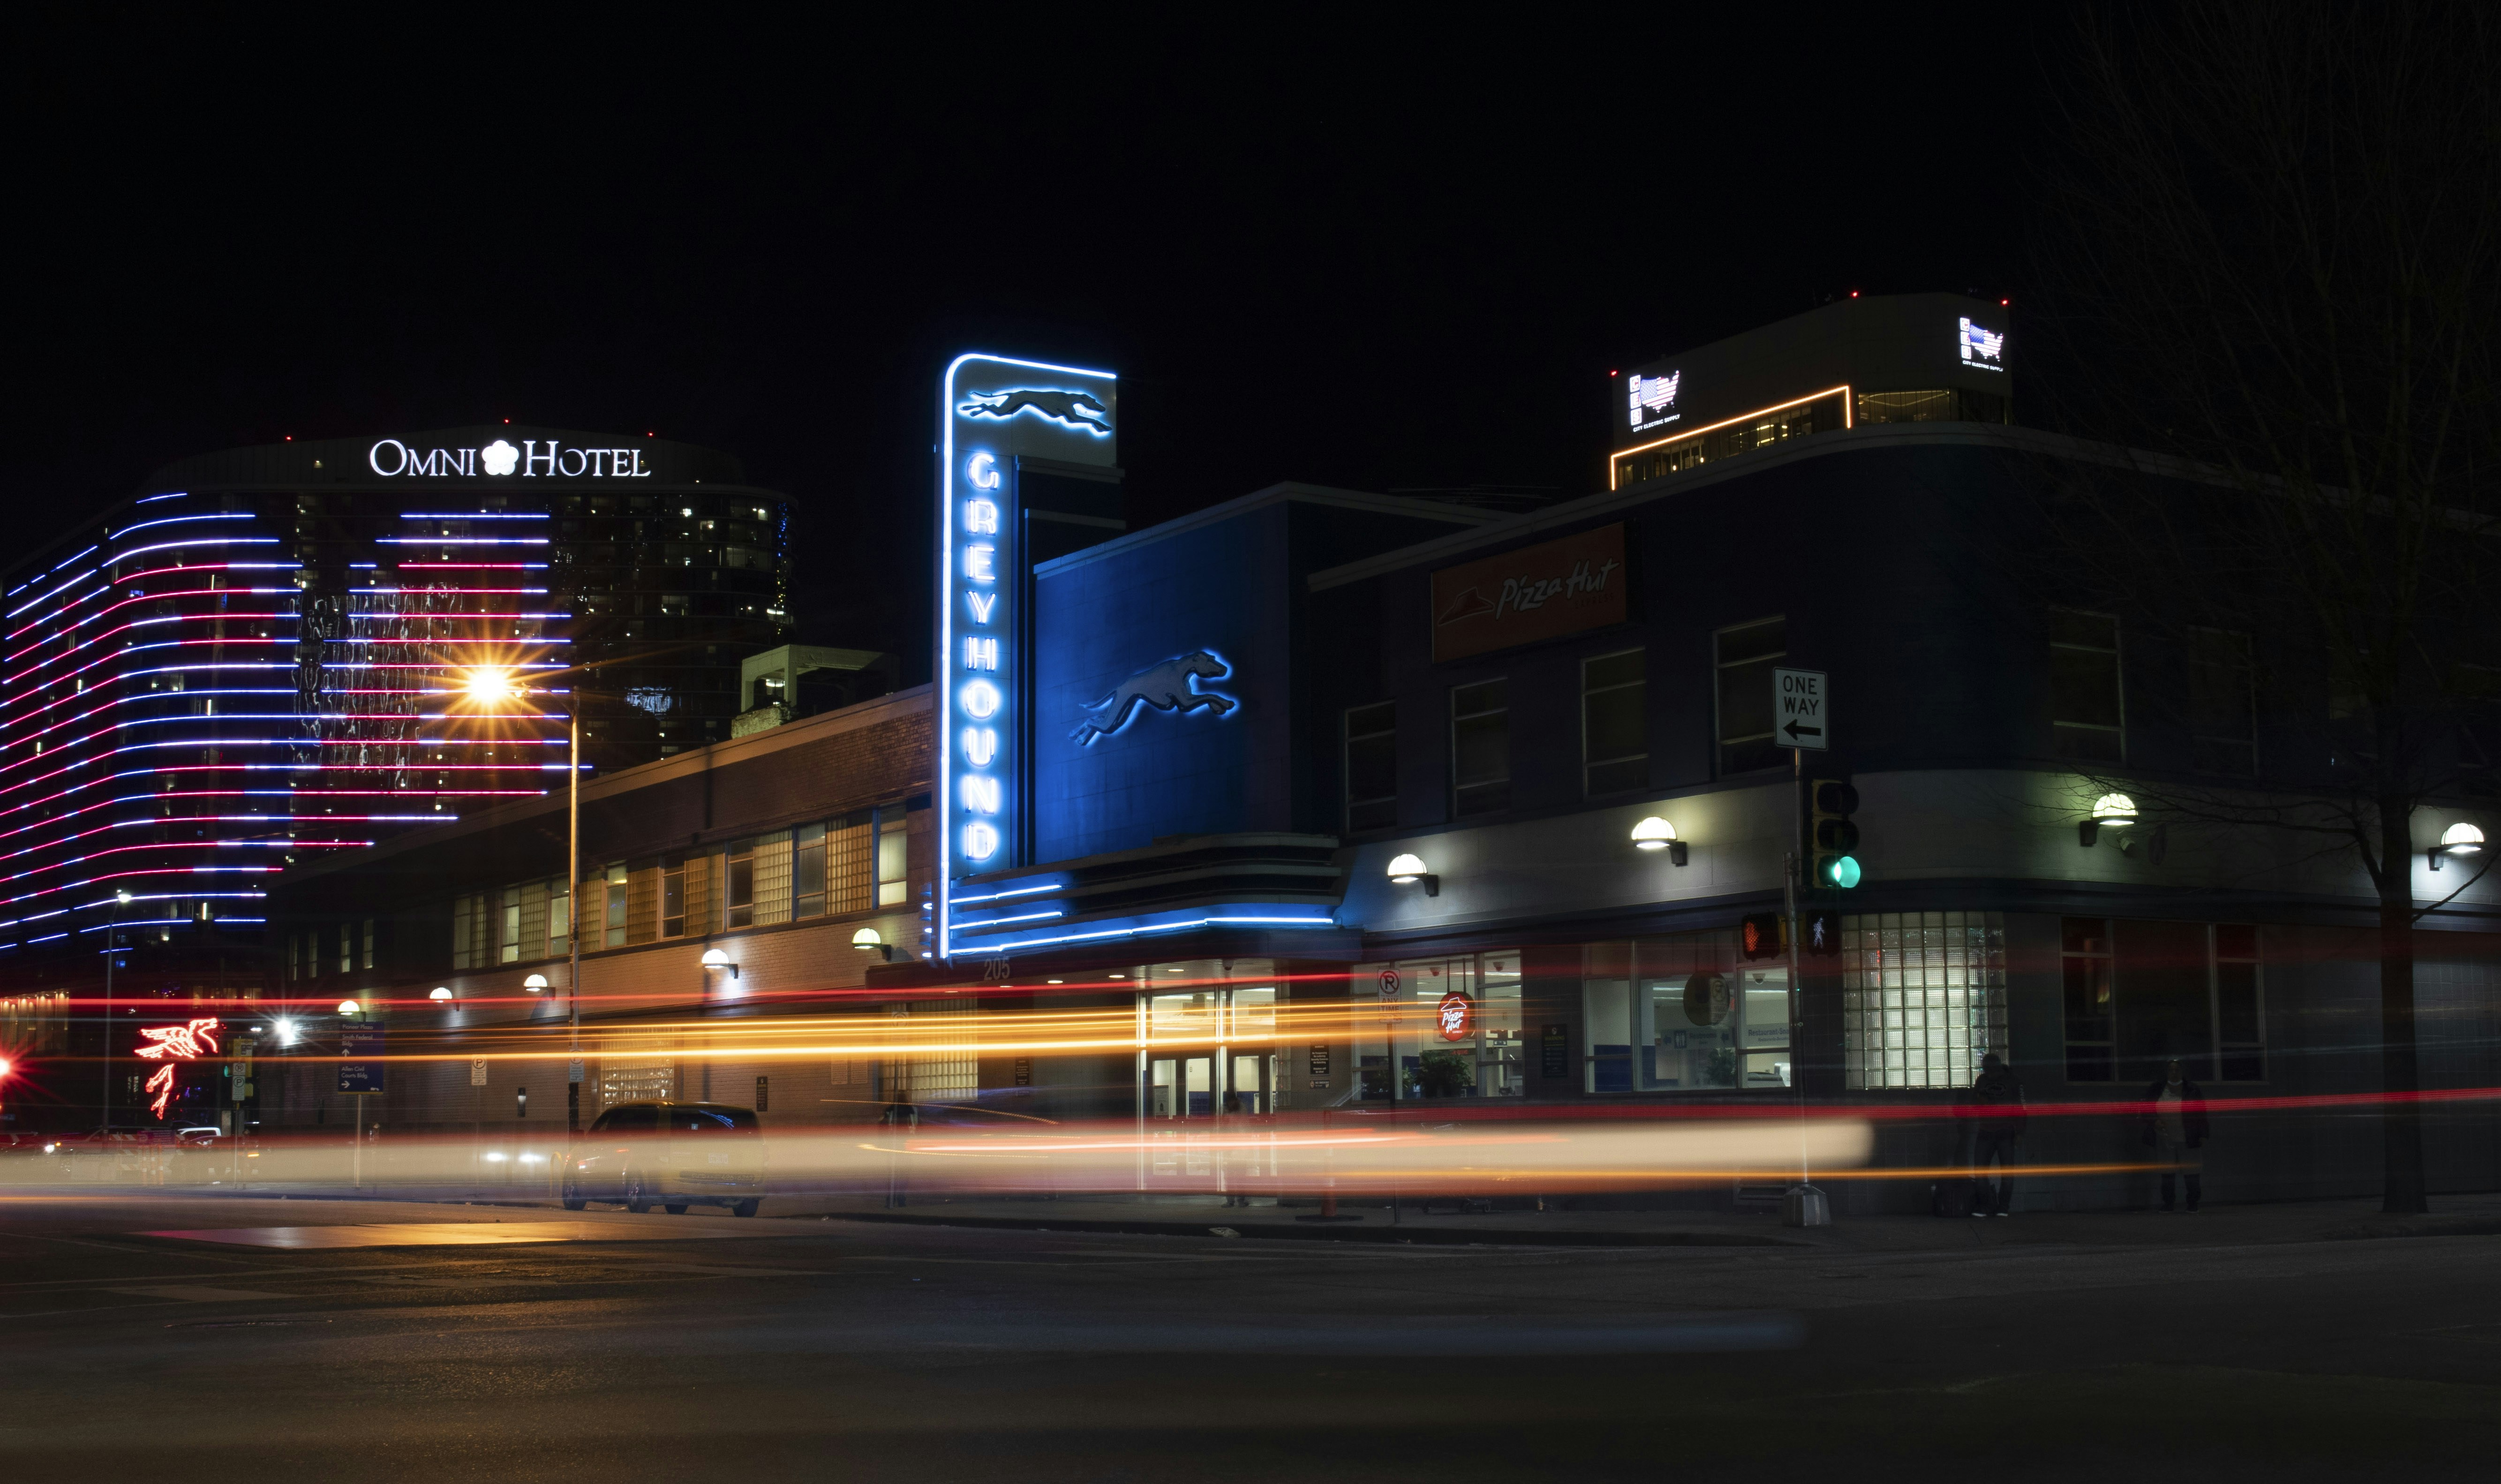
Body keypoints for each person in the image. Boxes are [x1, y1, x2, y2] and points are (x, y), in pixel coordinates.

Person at [2139, 1058, 2209, 1212]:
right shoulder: (2158, 1089)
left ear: (2183, 1072)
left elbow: (2201, 1114)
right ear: (2166, 1072)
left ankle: (2192, 1204)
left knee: (2191, 1172)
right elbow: (2146, 1110)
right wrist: (2155, 1121)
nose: (2174, 1073)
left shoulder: (2192, 1090)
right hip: (2165, 1138)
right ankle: (2168, 1203)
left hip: (2188, 1137)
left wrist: (2203, 1134)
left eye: (2177, 1070)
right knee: (2167, 1173)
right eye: (2171, 1070)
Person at [1969, 1052, 2026, 1217]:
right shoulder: (1983, 1080)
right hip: (1986, 1129)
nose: (1990, 1075)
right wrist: (1980, 1102)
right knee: (1981, 1172)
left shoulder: (2014, 1081)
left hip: (2005, 1130)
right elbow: (1974, 1102)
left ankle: (2002, 1207)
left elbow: (2022, 1109)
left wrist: (2020, 1132)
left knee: (2006, 1173)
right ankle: (1987, 1206)